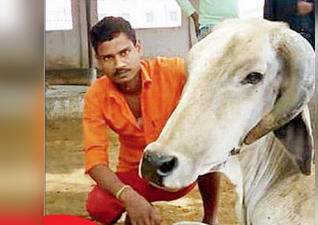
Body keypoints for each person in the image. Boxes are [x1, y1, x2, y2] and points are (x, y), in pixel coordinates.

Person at [84, 16, 220, 225]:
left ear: (137, 47)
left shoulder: (174, 71)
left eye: (125, 52)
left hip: (178, 168)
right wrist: (128, 196)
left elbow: (211, 76)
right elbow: (95, 161)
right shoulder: (96, 95)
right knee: (99, 206)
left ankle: (211, 218)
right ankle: (138, 209)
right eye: (108, 58)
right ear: (97, 60)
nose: (119, 64)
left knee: (207, 140)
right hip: (135, 172)